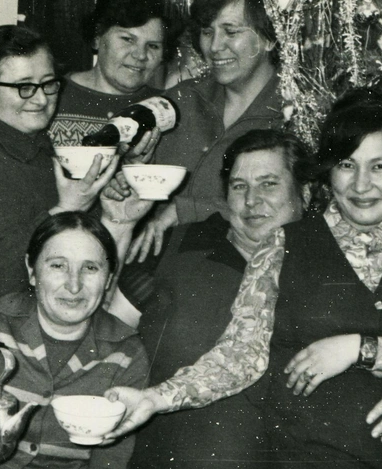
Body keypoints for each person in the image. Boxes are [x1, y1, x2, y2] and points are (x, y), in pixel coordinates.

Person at [103, 89, 382, 468]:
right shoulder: (283, 244)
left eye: (380, 166)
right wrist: (154, 399)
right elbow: (240, 354)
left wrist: (358, 349)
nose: (361, 185)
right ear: (329, 171)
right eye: (347, 165)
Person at [111, 129, 312, 468]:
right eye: (239, 186)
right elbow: (107, 336)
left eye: (268, 184)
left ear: (304, 193)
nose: (252, 200)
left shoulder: (327, 269)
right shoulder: (175, 246)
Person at [0, 211, 149, 468]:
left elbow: (112, 458)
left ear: (108, 278)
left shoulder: (127, 353)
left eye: (90, 268)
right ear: (32, 270)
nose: (74, 286)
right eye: (58, 265)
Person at [128, 0, 284, 263]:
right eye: (207, 31)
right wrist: (132, 166)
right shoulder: (181, 100)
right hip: (153, 267)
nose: (214, 46)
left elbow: (292, 209)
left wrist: (187, 210)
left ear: (269, 38)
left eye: (231, 31)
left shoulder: (291, 115)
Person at [0, 25, 118, 312]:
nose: (41, 99)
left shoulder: (29, 142)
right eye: (24, 87)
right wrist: (66, 209)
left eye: (48, 83)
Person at [48, 0, 179, 149]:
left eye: (153, 46)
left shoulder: (166, 112)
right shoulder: (50, 97)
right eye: (127, 39)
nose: (140, 55)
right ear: (97, 37)